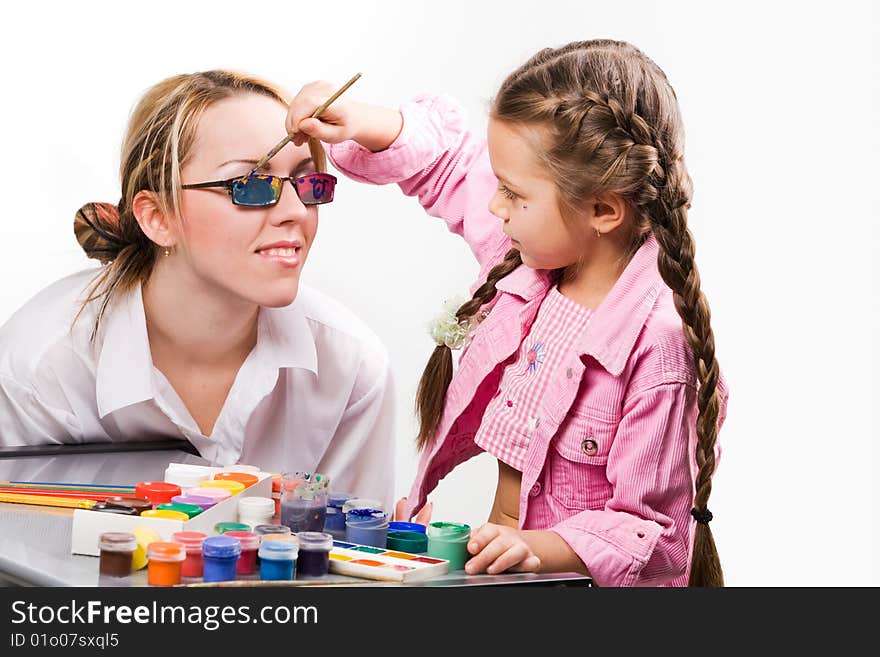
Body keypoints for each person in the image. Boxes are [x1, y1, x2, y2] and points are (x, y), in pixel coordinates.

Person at [285, 39, 730, 586]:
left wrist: (534, 546)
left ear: (603, 209)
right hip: (511, 583)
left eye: (513, 194)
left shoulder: (658, 347)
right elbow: (445, 164)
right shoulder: (530, 258)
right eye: (497, 186)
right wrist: (360, 120)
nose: (495, 207)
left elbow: (653, 534)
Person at [0, 70, 394, 506]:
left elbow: (355, 553)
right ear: (158, 217)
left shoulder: (351, 367)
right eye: (251, 184)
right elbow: (20, 548)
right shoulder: (41, 367)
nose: (296, 211)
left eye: (308, 182)